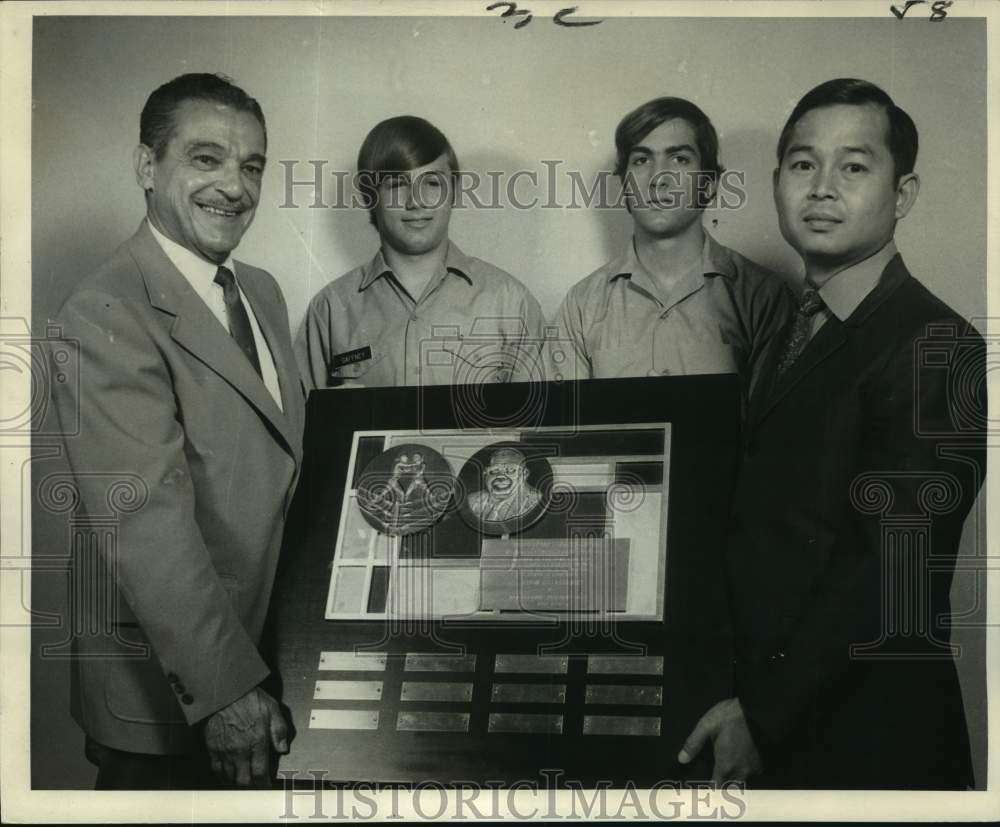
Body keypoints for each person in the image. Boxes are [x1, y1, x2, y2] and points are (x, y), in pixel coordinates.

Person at [678, 79, 986, 789]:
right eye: (802, 164)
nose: (821, 187)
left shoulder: (938, 343)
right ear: (778, 181)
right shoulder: (789, 323)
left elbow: (893, 569)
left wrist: (763, 713)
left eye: (853, 166)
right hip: (766, 723)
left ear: (903, 194)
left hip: (869, 741)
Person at [50, 73, 305, 789]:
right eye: (206, 158)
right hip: (175, 694)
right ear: (146, 167)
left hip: (266, 672)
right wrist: (225, 690)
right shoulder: (104, 307)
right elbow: (144, 522)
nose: (235, 185)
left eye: (251, 165)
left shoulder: (261, 291)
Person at [547, 97, 792, 404]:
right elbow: (566, 436)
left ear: (709, 183)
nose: (658, 178)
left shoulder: (763, 296)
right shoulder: (582, 305)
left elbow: (777, 432)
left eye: (679, 159)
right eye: (641, 160)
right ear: (624, 184)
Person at [296, 116, 546, 390]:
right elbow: (299, 427)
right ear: (370, 197)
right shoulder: (330, 310)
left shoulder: (511, 304)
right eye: (396, 184)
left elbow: (537, 428)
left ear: (455, 193)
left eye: (432, 184)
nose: (416, 201)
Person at [467, 447, 542, 523]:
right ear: (485, 474)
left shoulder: (537, 501)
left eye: (510, 470)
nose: (500, 476)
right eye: (495, 470)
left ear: (524, 474)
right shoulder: (472, 501)